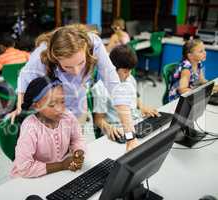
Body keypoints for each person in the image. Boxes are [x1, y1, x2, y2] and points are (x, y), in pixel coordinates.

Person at [9, 24, 138, 151]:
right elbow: (24, 78)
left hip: (78, 102)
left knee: (75, 145)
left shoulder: (94, 45)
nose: (76, 72)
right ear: (55, 59)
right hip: (54, 105)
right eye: (67, 67)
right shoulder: (41, 55)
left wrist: (130, 137)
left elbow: (115, 87)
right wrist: (19, 106)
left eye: (81, 63)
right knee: (54, 149)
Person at [10, 76, 86, 178]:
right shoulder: (30, 128)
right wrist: (61, 165)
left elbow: (77, 139)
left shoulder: (68, 117)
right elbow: (24, 168)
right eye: (51, 104)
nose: (60, 109)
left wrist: (78, 152)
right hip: (28, 179)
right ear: (36, 106)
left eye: (62, 101)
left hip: (56, 175)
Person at [92, 45, 158, 141]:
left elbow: (134, 97)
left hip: (135, 123)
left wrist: (142, 107)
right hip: (118, 129)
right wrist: (108, 128)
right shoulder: (101, 88)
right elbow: (98, 120)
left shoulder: (130, 79)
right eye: (125, 72)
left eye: (130, 71)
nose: (129, 75)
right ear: (112, 69)